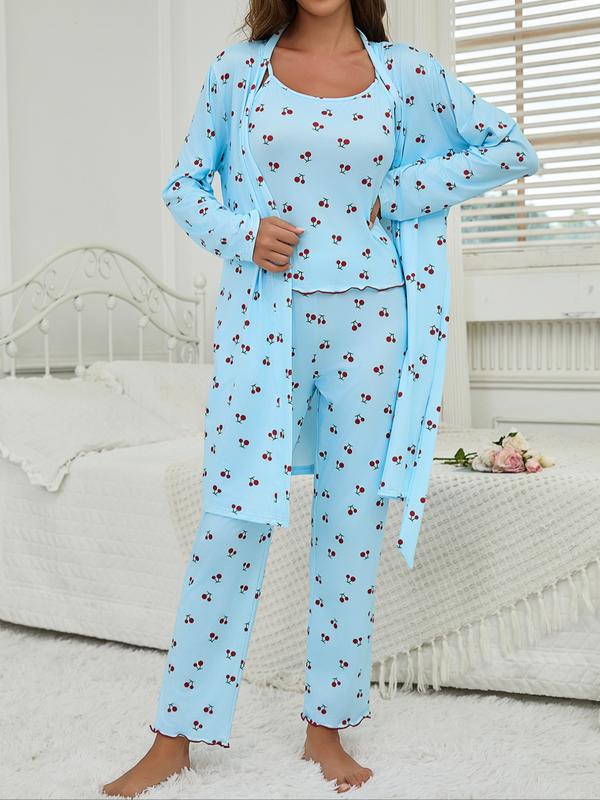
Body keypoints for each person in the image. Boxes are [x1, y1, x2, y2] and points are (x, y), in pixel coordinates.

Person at [103, 1, 538, 796]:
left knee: (351, 525)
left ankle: (326, 728)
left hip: (377, 325)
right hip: (266, 325)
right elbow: (185, 186)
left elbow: (512, 148)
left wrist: (403, 190)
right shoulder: (238, 71)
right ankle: (174, 735)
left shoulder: (406, 73)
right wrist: (242, 233)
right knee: (232, 516)